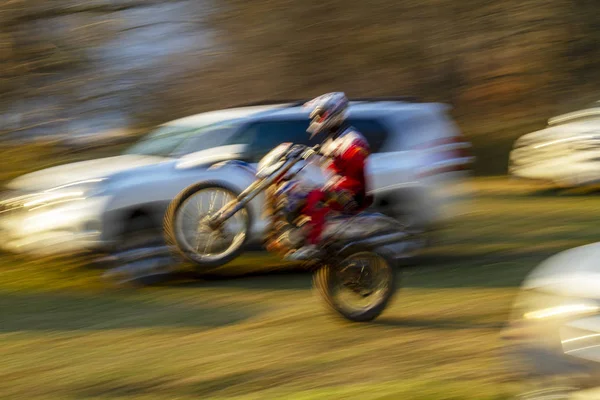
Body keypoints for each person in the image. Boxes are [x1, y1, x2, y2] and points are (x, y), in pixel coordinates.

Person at [285, 92, 371, 261]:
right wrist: (305, 154)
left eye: (320, 115)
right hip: (337, 187)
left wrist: (334, 160)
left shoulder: (351, 139)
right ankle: (298, 235)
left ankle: (313, 245)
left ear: (333, 112)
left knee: (314, 197)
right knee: (293, 189)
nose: (317, 119)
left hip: (351, 192)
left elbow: (355, 162)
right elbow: (325, 162)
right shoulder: (334, 138)